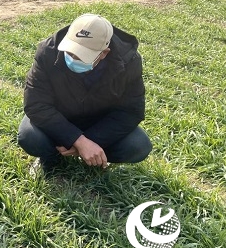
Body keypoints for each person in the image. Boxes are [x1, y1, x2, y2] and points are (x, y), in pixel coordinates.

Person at [18, 13, 151, 175]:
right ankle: (50, 157)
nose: (72, 58)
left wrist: (92, 140)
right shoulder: (48, 52)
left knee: (138, 145)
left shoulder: (128, 61)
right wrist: (77, 141)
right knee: (30, 137)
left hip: (99, 122)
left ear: (104, 53)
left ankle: (95, 157)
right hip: (59, 117)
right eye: (70, 51)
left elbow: (131, 111)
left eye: (82, 56)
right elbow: (36, 104)